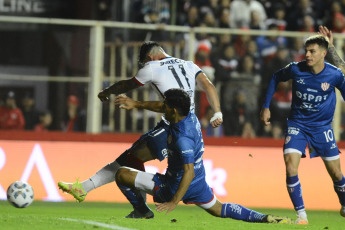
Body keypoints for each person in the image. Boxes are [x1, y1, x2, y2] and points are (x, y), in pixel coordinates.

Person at [58, 41, 223, 218]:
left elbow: (128, 85)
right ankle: (86, 188)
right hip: (189, 124)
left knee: (131, 158)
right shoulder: (188, 64)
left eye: (143, 62)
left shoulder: (151, 66)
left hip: (173, 127)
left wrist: (107, 91)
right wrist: (217, 112)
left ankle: (141, 208)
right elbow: (209, 86)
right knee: (130, 157)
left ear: (149, 58)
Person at [112, 88, 292, 224]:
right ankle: (264, 218)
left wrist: (174, 202)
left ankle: (142, 210)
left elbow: (187, 171)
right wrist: (137, 104)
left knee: (121, 174)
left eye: (165, 105)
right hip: (198, 182)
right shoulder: (188, 115)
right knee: (218, 208)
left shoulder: (183, 139)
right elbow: (163, 107)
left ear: (173, 110)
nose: (162, 106)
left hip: (175, 185)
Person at [260, 33, 345, 225]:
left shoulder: (334, 74)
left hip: (322, 128)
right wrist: (265, 106)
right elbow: (275, 78)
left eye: (312, 51)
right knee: (290, 166)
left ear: (323, 53)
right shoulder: (296, 69)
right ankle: (301, 216)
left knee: (336, 174)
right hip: (297, 124)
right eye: (306, 50)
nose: (307, 54)